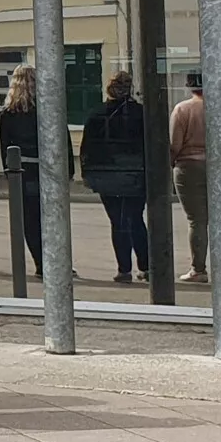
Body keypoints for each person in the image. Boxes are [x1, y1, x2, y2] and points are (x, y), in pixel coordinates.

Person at [0, 64, 74, 279]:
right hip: (49, 169)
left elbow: (5, 145)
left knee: (30, 220)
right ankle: (58, 262)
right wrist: (69, 169)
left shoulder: (9, 113)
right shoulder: (48, 108)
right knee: (53, 218)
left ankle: (40, 263)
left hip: (22, 169)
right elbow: (63, 139)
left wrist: (8, 172)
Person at [81, 71, 149, 283]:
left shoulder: (97, 114)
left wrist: (87, 174)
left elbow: (87, 148)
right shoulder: (141, 113)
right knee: (136, 219)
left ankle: (124, 269)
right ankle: (146, 266)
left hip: (107, 175)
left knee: (118, 221)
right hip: (136, 174)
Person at [170, 73, 208, 283]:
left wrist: (170, 164)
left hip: (188, 166)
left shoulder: (182, 109)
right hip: (218, 166)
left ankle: (198, 269)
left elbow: (175, 144)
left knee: (197, 220)